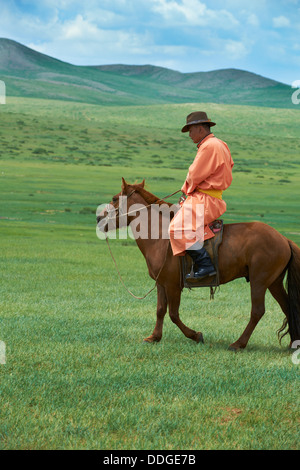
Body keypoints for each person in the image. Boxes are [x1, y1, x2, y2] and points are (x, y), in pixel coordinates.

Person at [169, 111, 234, 280]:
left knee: (176, 229)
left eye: (190, 131)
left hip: (205, 200)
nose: (189, 135)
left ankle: (205, 265)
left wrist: (186, 190)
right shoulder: (221, 144)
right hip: (210, 196)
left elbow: (195, 174)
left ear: (199, 128)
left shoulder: (209, 146)